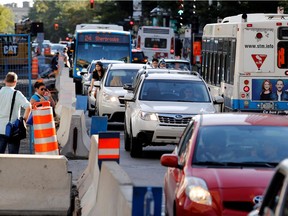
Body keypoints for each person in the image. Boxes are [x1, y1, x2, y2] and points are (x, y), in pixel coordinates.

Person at [0, 72, 31, 154]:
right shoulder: (17, 94)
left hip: (0, 128)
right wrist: (23, 121)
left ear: (5, 81)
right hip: (13, 130)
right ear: (15, 82)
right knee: (13, 157)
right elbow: (28, 107)